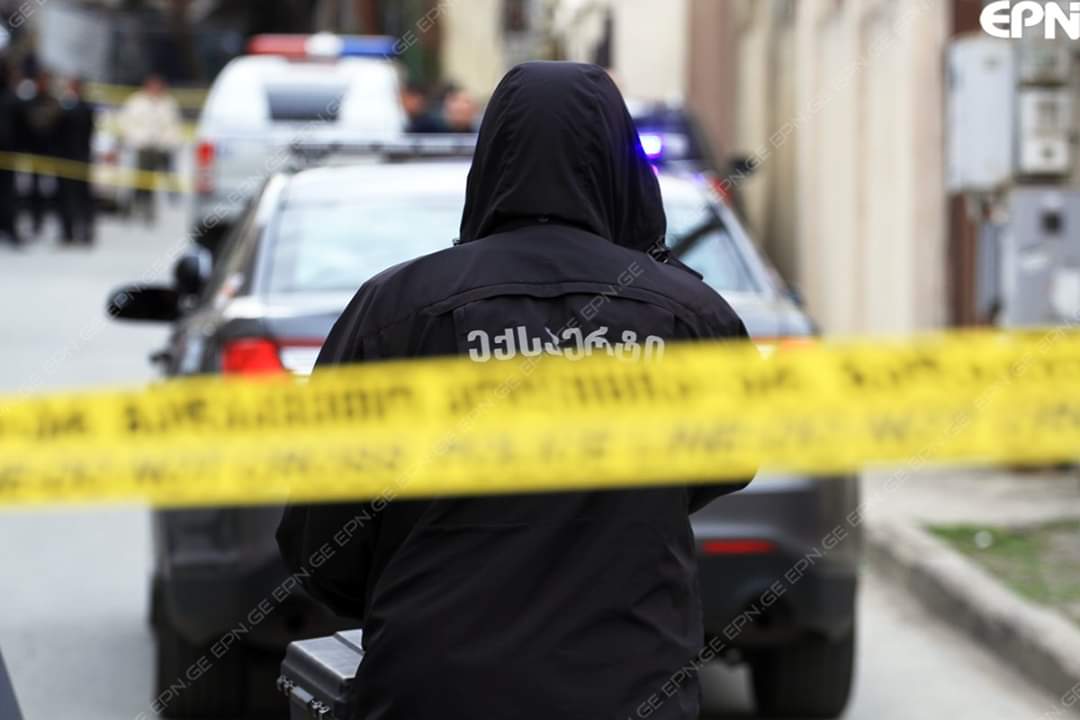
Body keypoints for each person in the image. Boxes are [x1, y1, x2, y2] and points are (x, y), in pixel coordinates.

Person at [276, 62, 753, 720]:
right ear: (623, 168)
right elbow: (731, 459)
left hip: (432, 691)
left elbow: (319, 528)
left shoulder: (396, 309)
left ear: (491, 158)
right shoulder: (687, 314)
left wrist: (412, 597)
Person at [118, 73, 182, 223]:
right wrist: (136, 139)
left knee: (155, 182)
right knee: (135, 181)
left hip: (159, 149)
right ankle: (129, 208)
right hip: (139, 148)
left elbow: (173, 126)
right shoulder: (136, 101)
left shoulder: (168, 103)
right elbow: (125, 122)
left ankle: (150, 210)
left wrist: (168, 142)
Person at [14, 68, 62, 238]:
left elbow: (53, 124)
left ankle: (42, 219)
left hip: (49, 151)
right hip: (33, 150)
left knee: (47, 188)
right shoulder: (31, 102)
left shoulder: (52, 101)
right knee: (33, 187)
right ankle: (35, 219)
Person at [57, 77, 95, 245]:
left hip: (80, 157)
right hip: (64, 157)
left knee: (82, 196)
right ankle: (68, 232)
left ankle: (85, 232)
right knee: (65, 197)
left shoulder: (84, 108)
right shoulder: (63, 105)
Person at [0, 58, 20, 246]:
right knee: (7, 194)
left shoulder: (12, 99)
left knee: (7, 194)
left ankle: (8, 228)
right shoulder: (11, 99)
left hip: (8, 154)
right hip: (8, 152)